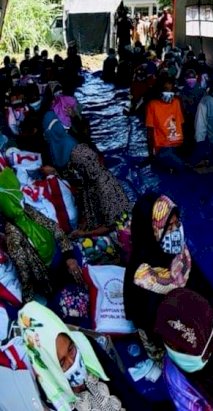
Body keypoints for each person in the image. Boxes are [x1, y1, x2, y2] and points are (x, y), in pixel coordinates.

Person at [124, 192, 213, 360]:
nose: (176, 231)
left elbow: (201, 285)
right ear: (151, 231)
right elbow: (153, 324)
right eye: (168, 227)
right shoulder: (143, 278)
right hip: (172, 338)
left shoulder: (178, 254)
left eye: (177, 223)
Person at [18, 301, 150, 411]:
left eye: (71, 349)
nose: (73, 362)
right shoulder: (51, 394)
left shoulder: (85, 344)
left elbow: (122, 387)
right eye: (62, 363)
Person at [0, 166, 81, 303]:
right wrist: (28, 303)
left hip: (60, 256)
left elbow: (53, 227)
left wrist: (69, 256)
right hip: (49, 276)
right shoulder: (13, 235)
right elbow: (24, 272)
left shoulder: (27, 210)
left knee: (78, 278)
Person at [145, 79, 187, 173]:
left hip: (178, 145)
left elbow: (180, 124)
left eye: (171, 90)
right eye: (166, 90)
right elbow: (149, 132)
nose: (169, 93)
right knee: (182, 167)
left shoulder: (176, 102)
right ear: (160, 90)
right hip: (163, 147)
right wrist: (151, 155)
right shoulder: (153, 105)